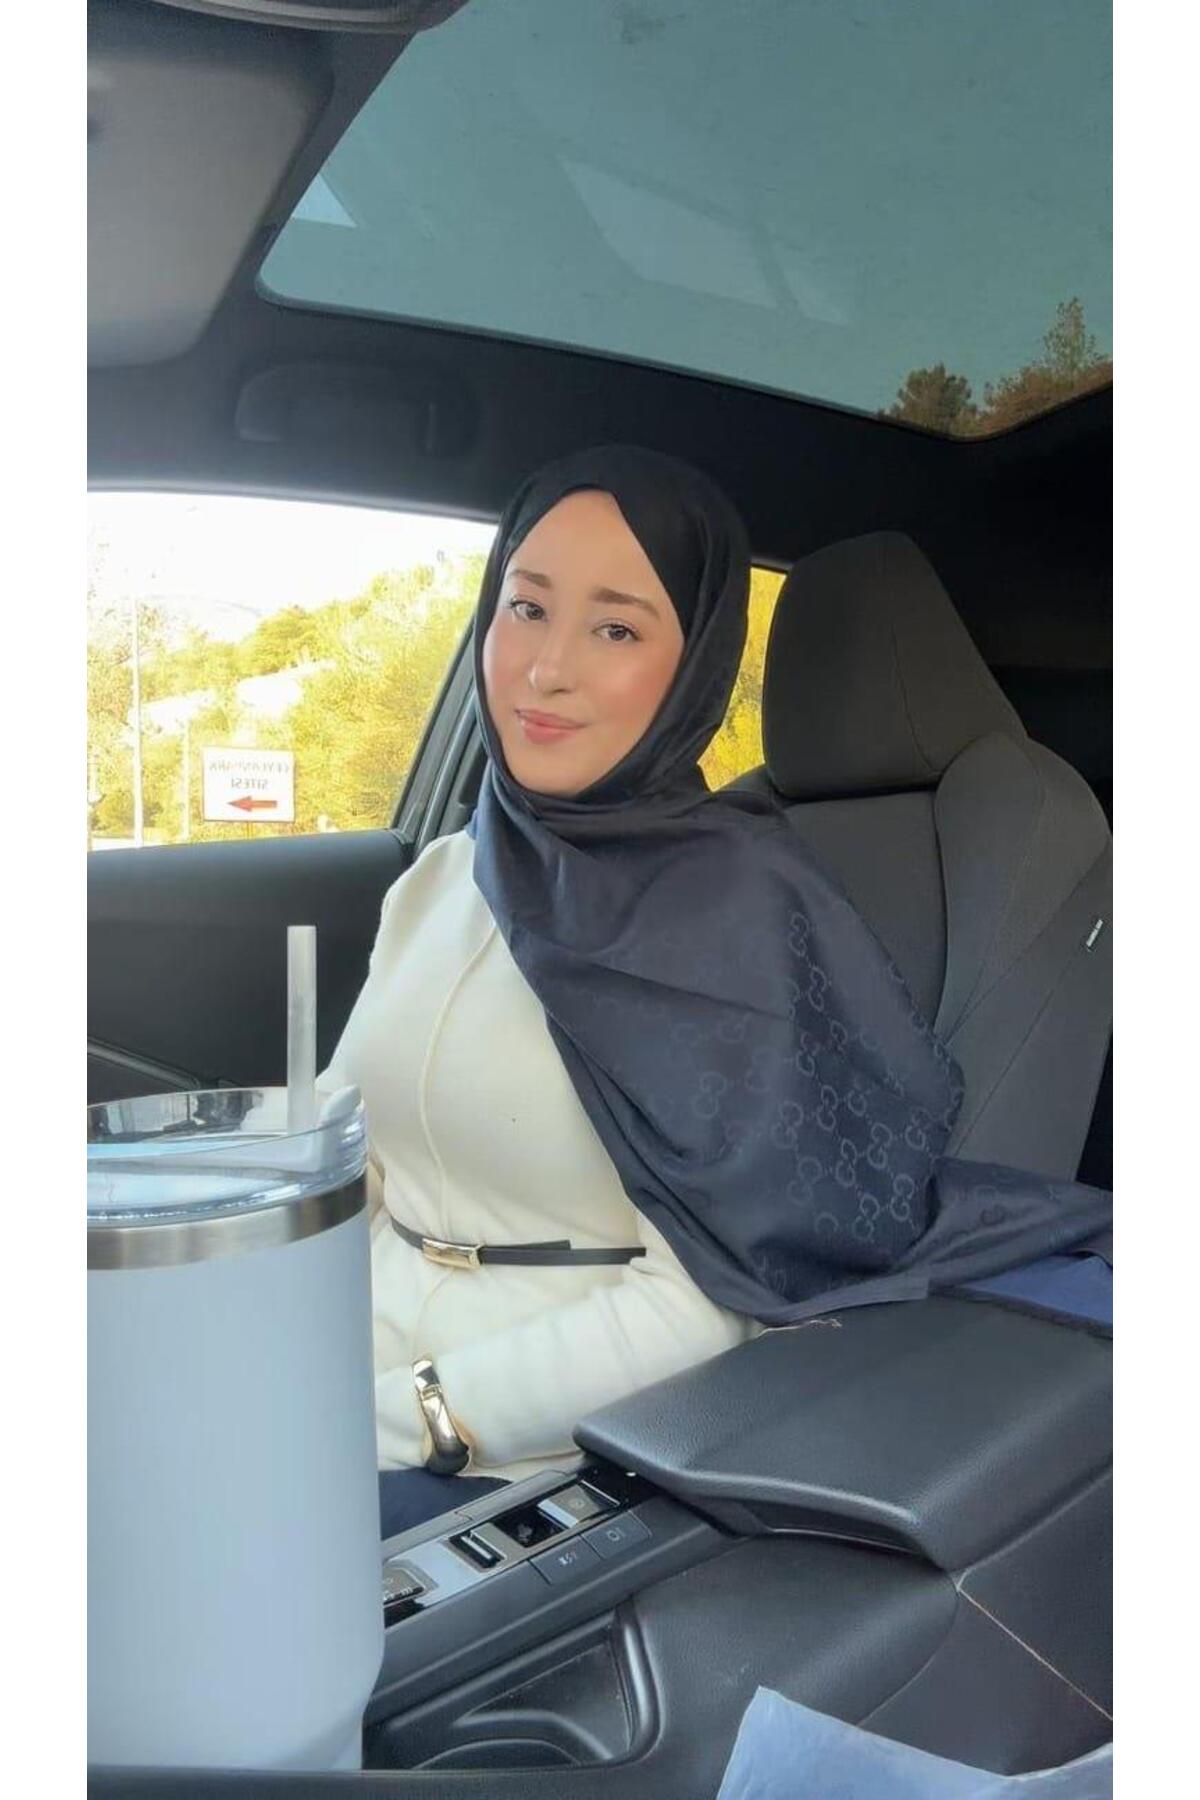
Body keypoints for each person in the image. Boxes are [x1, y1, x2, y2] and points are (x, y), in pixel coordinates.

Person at [317, 445, 1110, 1540]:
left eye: (616, 629)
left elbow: (710, 1308)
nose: (546, 670)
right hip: (330, 1378)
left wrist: (416, 1416)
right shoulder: (446, 874)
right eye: (526, 608)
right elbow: (338, 1150)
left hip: (537, 1459)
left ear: (693, 666)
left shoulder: (739, 913)